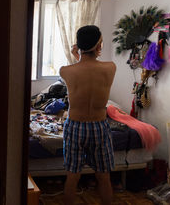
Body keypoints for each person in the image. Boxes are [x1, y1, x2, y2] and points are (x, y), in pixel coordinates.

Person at [60, 25, 116, 205]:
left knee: (73, 177)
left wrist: (77, 55)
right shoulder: (110, 68)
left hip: (75, 125)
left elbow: (80, 68)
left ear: (79, 45)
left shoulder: (65, 71)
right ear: (99, 45)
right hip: (99, 126)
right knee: (103, 177)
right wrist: (82, 53)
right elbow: (90, 69)